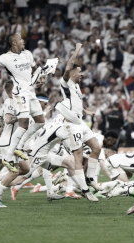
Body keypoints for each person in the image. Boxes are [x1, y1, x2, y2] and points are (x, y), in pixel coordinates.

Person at [0, 33, 47, 173]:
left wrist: (41, 78)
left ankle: (19, 146)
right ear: (14, 43)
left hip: (31, 91)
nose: (23, 40)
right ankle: (9, 156)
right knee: (23, 122)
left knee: (41, 121)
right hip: (20, 93)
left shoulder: (28, 54)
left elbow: (35, 70)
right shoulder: (6, 58)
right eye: (20, 39)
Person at [54, 43, 101, 201]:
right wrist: (77, 51)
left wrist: (86, 111)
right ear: (73, 72)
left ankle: (90, 179)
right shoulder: (66, 82)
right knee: (78, 156)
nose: (82, 75)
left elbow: (75, 105)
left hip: (80, 123)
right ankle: (85, 190)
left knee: (96, 147)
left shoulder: (76, 87)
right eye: (80, 72)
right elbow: (67, 68)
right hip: (70, 126)